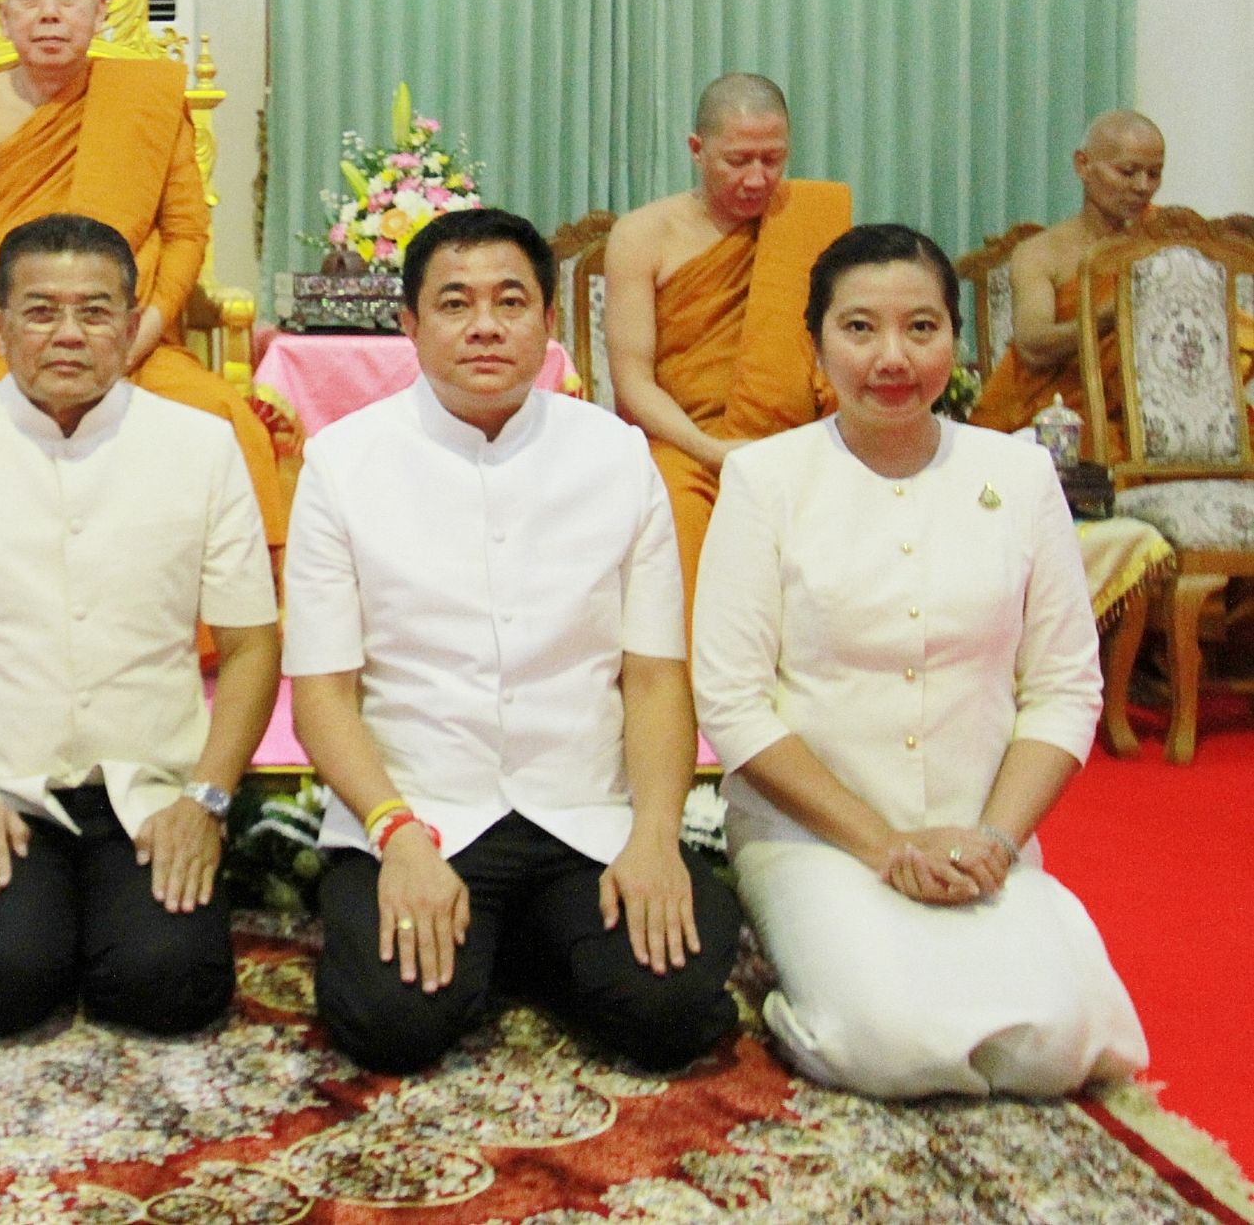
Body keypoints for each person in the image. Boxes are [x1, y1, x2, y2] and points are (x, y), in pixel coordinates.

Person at [693, 223, 1147, 1098]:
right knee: (890, 1048)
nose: (891, 357)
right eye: (859, 329)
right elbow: (732, 703)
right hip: (812, 834)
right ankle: (794, 995)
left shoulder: (1019, 477)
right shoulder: (764, 480)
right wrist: (886, 845)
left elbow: (1062, 688)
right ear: (816, 344)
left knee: (1057, 1048)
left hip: (978, 830)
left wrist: (996, 841)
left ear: (955, 339)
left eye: (921, 328)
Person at [286, 207, 742, 1076]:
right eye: (454, 304)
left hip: (584, 815)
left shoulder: (617, 457)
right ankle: (508, 945)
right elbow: (322, 696)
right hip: (419, 812)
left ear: (548, 320)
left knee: (672, 1011)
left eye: (510, 301)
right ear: (409, 324)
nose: (485, 326)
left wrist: (654, 837)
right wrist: (396, 834)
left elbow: (653, 679)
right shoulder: (342, 464)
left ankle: (517, 942)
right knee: (390, 1025)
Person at [0, 212, 281, 1036]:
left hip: (150, 788)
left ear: (131, 323)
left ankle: (117, 919)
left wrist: (206, 802)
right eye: (41, 312)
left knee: (169, 989)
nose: (68, 335)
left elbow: (252, 643)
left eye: (94, 311)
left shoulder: (200, 446)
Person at [0, 0, 284, 541]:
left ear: (99, 11)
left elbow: (186, 233)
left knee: (223, 419)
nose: (50, 13)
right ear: (4, 15)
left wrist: (137, 334)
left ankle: (236, 599)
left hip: (130, 340)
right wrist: (23, 335)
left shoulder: (148, 98)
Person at [606, 74, 851, 598]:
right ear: (697, 150)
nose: (758, 178)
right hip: (684, 446)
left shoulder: (807, 222)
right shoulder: (643, 235)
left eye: (773, 159)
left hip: (795, 443)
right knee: (672, 511)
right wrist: (714, 450)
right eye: (738, 161)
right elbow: (632, 382)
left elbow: (844, 347)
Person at [970, 111, 1166, 450]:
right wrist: (1108, 316)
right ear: (1083, 165)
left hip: (1152, 415)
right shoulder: (1041, 253)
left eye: (1154, 173)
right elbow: (1033, 345)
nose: (1142, 186)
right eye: (1127, 172)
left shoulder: (1166, 244)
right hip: (1060, 414)